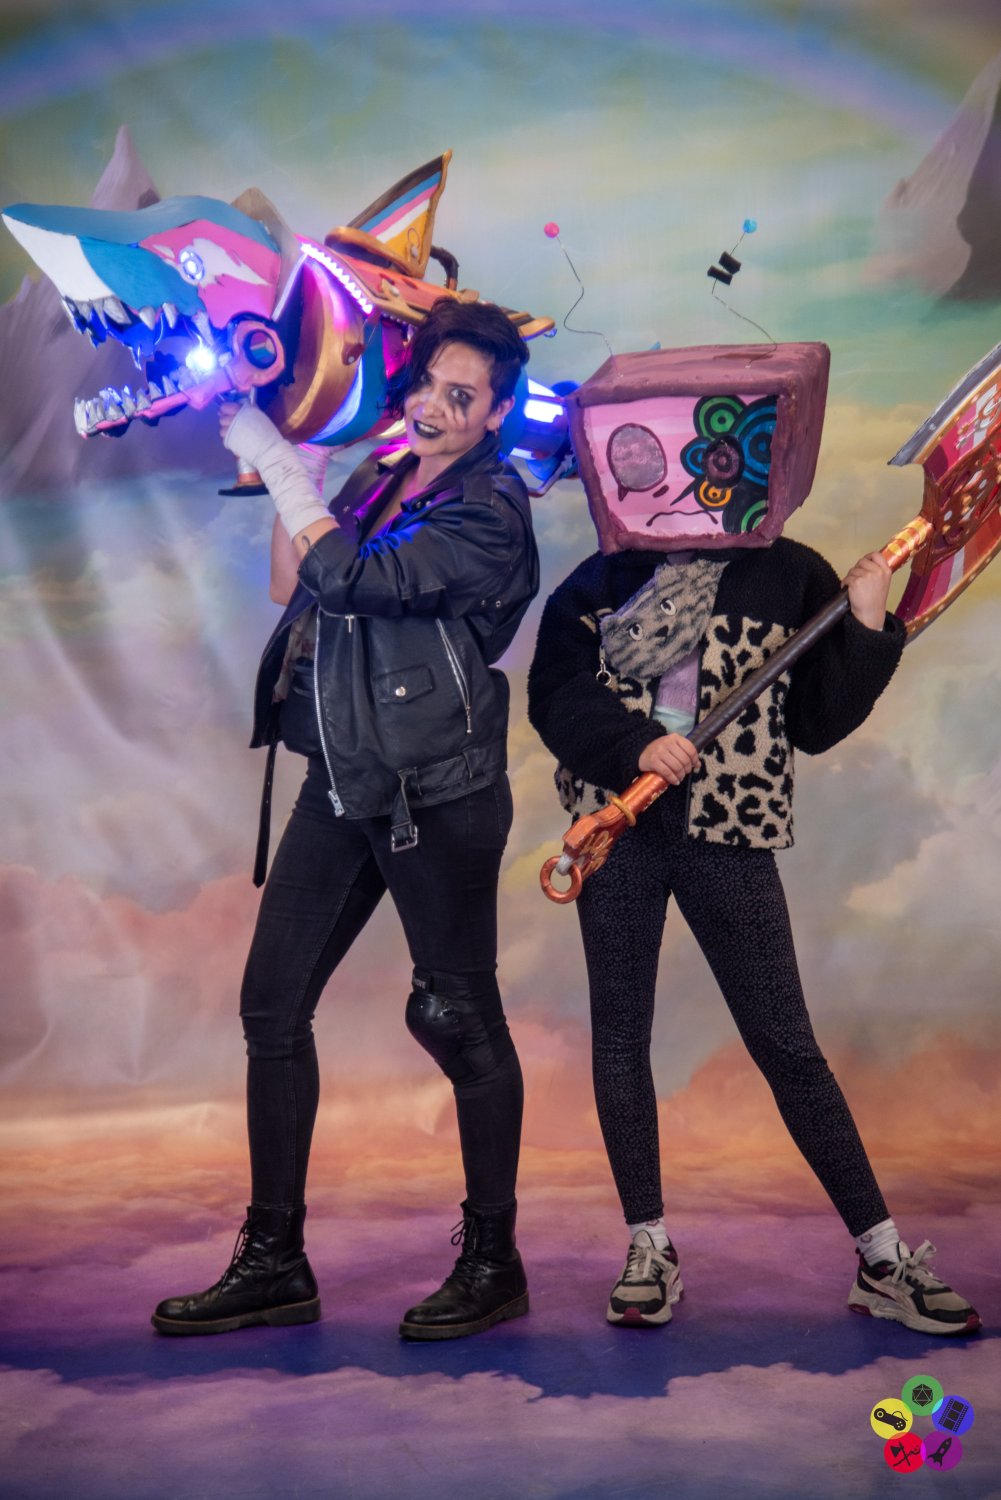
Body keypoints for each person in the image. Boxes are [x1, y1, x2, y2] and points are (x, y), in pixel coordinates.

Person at [152, 299, 538, 1341]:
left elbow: (358, 581)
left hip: (437, 793)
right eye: (426, 385)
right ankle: (275, 1262)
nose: (433, 407)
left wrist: (277, 461)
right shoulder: (383, 473)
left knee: (458, 1018)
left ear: (495, 411)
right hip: (343, 772)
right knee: (271, 1009)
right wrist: (312, 470)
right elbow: (300, 583)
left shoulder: (490, 509)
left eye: (461, 396)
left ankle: (493, 1262)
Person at [527, 531, 981, 1337]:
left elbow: (815, 722)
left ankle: (881, 1258)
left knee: (785, 1043)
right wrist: (635, 746)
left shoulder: (788, 573)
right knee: (620, 1039)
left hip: (728, 829)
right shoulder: (604, 575)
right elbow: (554, 691)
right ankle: (648, 1244)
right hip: (616, 828)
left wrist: (865, 628)